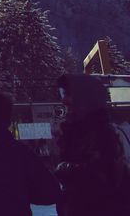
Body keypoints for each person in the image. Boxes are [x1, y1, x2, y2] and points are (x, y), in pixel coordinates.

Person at [54, 74, 130, 216]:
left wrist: (63, 169)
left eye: (67, 93)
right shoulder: (76, 131)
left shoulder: (101, 134)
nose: (64, 99)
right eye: (62, 93)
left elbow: (100, 180)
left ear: (85, 97)